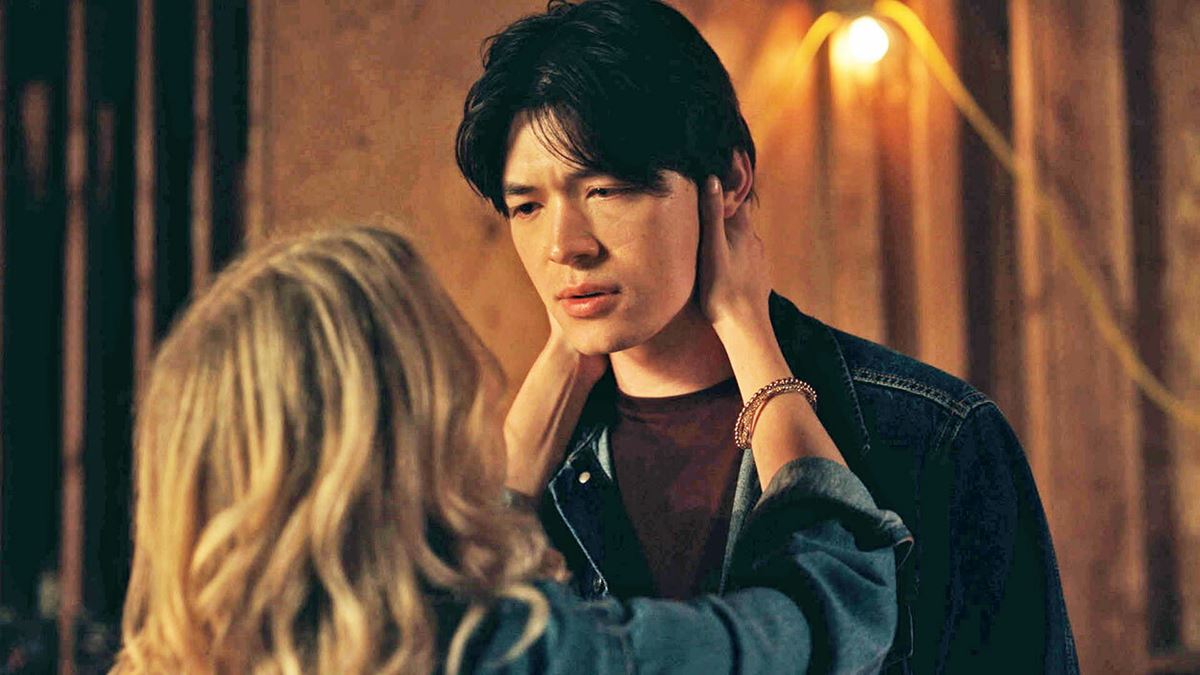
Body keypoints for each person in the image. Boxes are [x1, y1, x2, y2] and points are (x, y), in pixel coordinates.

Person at [454, 1, 1079, 673]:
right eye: (526, 206)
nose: (564, 246)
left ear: (728, 181)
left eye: (606, 191)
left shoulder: (930, 434)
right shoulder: (519, 480)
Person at [109, 226, 908, 674]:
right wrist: (749, 330)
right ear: (409, 432)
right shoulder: (517, 649)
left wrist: (570, 348)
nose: (564, 240)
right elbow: (828, 611)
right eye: (526, 203)